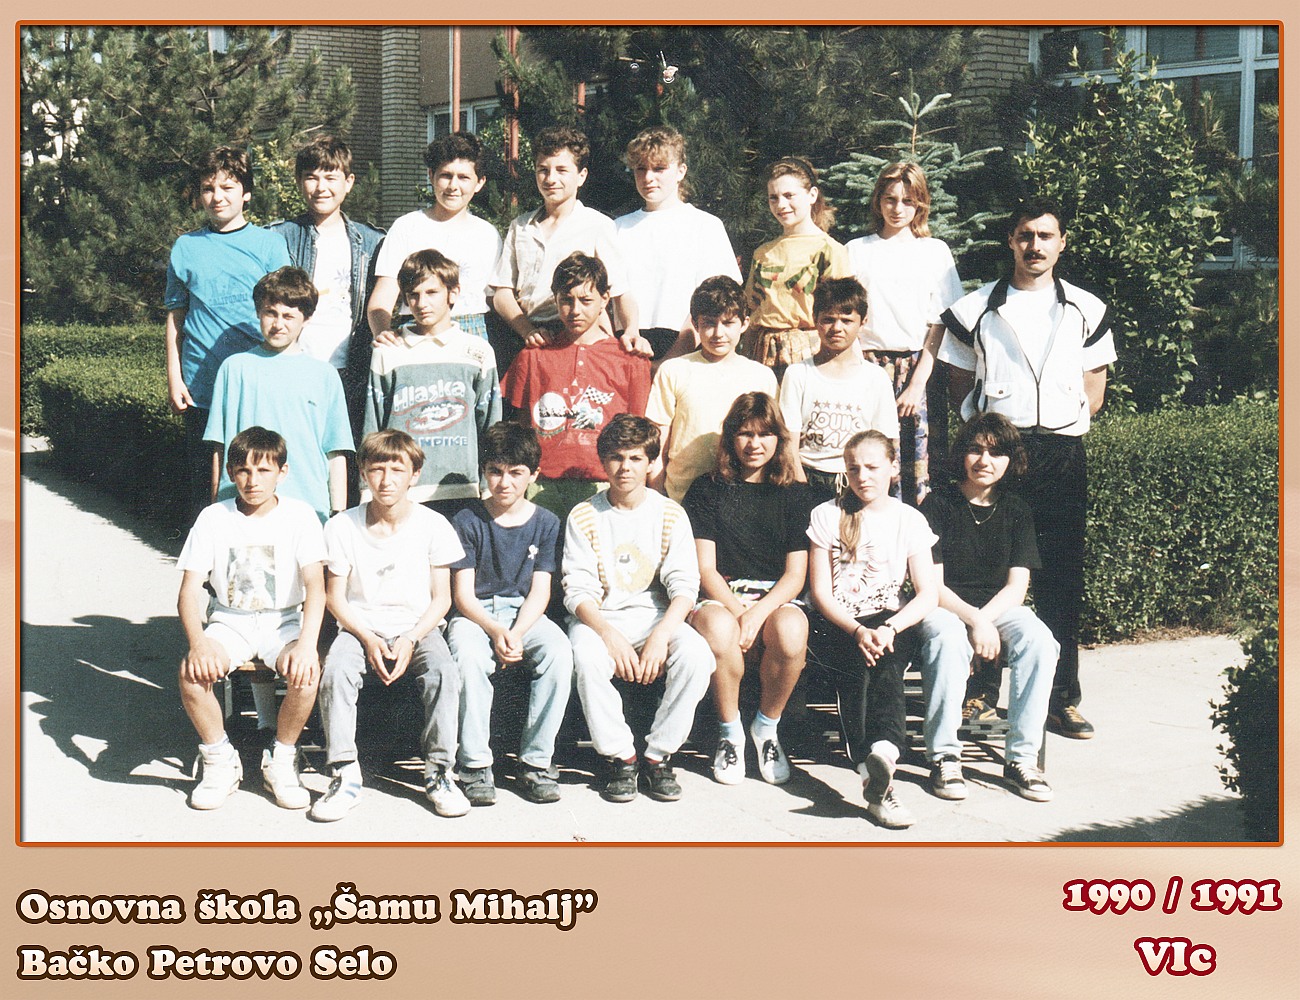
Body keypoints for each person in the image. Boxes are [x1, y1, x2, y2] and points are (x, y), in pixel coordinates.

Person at [938, 199, 1116, 739]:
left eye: (1045, 235)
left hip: (1061, 455)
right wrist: (993, 437)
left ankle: (1061, 699)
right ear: (1011, 241)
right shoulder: (975, 309)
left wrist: (1060, 422)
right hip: (999, 456)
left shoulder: (1087, 308)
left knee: (1061, 577)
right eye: (1025, 235)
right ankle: (979, 693)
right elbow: (958, 385)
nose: (1035, 245)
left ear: (1062, 243)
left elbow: (1095, 389)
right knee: (983, 573)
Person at [312, 429, 470, 821]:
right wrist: (367, 637)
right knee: (336, 670)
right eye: (377, 469)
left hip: (418, 627)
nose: (386, 480)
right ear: (363, 472)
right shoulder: (342, 526)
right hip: (358, 627)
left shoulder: (434, 525)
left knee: (444, 673)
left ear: (414, 475)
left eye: (397, 469)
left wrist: (412, 638)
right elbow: (335, 597)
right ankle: (345, 773)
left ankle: (439, 772)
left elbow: (442, 598)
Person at [563, 415, 715, 803]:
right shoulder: (584, 515)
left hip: (656, 618)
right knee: (586, 656)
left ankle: (657, 756)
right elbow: (577, 589)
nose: (625, 468)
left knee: (697, 656)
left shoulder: (670, 514)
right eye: (616, 457)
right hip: (601, 619)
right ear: (603, 461)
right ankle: (621, 757)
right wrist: (608, 635)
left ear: (650, 462)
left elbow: (685, 586)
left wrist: (662, 636)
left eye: (635, 458)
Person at [176, 426, 325, 812]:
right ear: (230, 472)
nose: (252, 480)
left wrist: (307, 645)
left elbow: (316, 586)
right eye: (243, 470)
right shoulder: (213, 517)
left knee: (307, 673)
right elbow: (189, 591)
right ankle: (220, 760)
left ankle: (282, 758)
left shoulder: (300, 516)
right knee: (192, 674)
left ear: (282, 472)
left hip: (283, 620)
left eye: (263, 470)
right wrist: (199, 644)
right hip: (231, 620)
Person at [918, 412, 1057, 801]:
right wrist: (975, 621)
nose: (984, 460)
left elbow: (1017, 587)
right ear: (962, 454)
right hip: (945, 606)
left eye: (996, 453)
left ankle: (1021, 760)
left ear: (1010, 460)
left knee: (1040, 641)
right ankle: (944, 757)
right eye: (976, 450)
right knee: (948, 640)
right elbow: (933, 586)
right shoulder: (938, 504)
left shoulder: (1017, 509)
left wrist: (984, 620)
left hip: (998, 608)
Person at [806, 431, 940, 829]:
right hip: (840, 622)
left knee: (886, 663)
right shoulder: (826, 514)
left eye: (872, 467)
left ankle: (881, 756)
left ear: (894, 468)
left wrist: (891, 628)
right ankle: (877, 779)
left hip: (890, 621)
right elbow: (820, 592)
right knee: (856, 667)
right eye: (853, 469)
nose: (862, 476)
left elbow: (928, 593)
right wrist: (856, 631)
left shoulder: (909, 519)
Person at [683, 393, 811, 785]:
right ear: (730, 438)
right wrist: (740, 613)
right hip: (720, 595)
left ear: (778, 439)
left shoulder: (795, 494)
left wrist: (756, 614)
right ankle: (730, 734)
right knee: (720, 629)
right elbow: (705, 569)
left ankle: (766, 728)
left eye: (764, 434)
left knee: (791, 633)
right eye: (745, 434)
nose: (755, 444)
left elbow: (795, 575)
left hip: (774, 597)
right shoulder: (706, 490)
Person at [445, 423, 574, 806]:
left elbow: (540, 590)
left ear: (533, 475)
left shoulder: (546, 522)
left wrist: (515, 632)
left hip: (524, 614)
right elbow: (463, 595)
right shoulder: (467, 520)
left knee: (559, 653)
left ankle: (535, 762)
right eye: (495, 471)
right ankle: (474, 764)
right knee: (468, 659)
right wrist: (495, 630)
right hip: (476, 615)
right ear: (484, 471)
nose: (504, 482)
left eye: (516, 473)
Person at [164, 146, 292, 521]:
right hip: (201, 387)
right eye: (208, 188)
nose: (217, 196)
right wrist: (174, 378)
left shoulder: (269, 245)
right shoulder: (186, 247)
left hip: (255, 383)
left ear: (246, 193)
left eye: (227, 187)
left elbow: (287, 314)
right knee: (205, 487)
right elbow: (176, 318)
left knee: (258, 478)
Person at [846, 161, 965, 506]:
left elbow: (940, 322)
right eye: (890, 199)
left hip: (919, 371)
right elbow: (848, 315)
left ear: (920, 204)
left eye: (908, 201)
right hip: (867, 365)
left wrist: (916, 384)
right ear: (878, 201)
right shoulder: (857, 250)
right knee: (869, 456)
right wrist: (862, 371)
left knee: (918, 464)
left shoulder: (934, 251)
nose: (898, 208)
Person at [501, 252, 651, 521]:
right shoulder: (534, 356)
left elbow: (639, 430)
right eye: (566, 300)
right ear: (555, 299)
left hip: (605, 483)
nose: (575, 310)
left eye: (586, 300)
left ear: (605, 299)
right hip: (542, 484)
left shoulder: (630, 360)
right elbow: (520, 426)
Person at [489, 125, 648, 374]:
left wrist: (631, 331)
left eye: (562, 170)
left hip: (579, 338)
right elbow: (502, 292)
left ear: (581, 176)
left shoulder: (597, 226)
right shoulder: (520, 226)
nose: (551, 179)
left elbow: (620, 291)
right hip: (528, 336)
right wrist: (528, 331)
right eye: (543, 170)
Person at [205, 266, 354, 523]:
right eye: (270, 313)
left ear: (306, 319)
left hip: (309, 508)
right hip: (242, 507)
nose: (278, 324)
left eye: (288, 316)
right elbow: (220, 448)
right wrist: (216, 510)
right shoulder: (234, 368)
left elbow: (335, 452)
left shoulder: (324, 374)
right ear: (258, 312)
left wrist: (338, 514)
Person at [363, 249, 501, 515]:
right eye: (413, 295)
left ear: (453, 292)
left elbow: (490, 426)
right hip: (403, 491)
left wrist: (488, 489)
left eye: (431, 292)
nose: (421, 303)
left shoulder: (478, 352)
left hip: (462, 489)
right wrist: (368, 491)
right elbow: (373, 427)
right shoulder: (388, 351)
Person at [271, 135, 385, 451]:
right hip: (295, 365)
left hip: (350, 372)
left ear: (349, 182)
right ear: (299, 182)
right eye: (311, 177)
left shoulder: (373, 241)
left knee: (345, 454)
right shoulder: (280, 237)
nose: (321, 187)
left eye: (331, 177)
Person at [613, 125, 742, 362]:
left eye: (659, 168)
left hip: (686, 350)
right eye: (641, 169)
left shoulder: (705, 226)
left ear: (681, 171)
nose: (648, 178)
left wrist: (669, 362)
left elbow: (714, 303)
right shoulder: (618, 228)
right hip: (625, 349)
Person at [646, 276, 777, 502]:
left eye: (728, 323)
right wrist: (659, 499)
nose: (718, 333)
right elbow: (658, 444)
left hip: (741, 498)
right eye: (709, 323)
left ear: (744, 323)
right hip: (680, 496)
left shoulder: (762, 376)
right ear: (695, 324)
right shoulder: (674, 370)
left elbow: (771, 442)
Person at [367, 131, 501, 343]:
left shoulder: (487, 234)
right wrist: (382, 333)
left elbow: (495, 299)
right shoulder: (407, 227)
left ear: (479, 183)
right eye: (446, 176)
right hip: (415, 330)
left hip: (472, 332)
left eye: (464, 177)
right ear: (431, 175)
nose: (453, 186)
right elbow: (383, 295)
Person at [779, 277, 899, 503]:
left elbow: (885, 443)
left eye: (846, 320)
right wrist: (801, 486)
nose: (837, 328)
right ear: (815, 319)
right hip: (807, 477)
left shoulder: (876, 378)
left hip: (858, 480)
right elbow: (788, 443)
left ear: (863, 322)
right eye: (828, 320)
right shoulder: (798, 374)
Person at [741, 156, 851, 380]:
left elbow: (841, 315)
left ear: (812, 195)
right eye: (773, 198)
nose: (781, 205)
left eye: (789, 195)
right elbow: (752, 308)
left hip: (809, 352)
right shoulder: (763, 253)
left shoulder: (829, 250)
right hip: (761, 351)